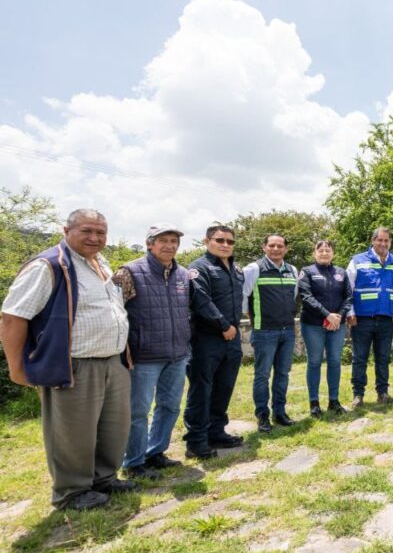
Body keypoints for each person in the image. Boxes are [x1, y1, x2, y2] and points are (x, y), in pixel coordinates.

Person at [1, 209, 135, 510]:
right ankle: (72, 491)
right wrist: (17, 368)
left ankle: (104, 479)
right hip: (74, 363)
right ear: (66, 230)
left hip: (113, 360)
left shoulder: (99, 262)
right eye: (86, 231)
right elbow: (12, 318)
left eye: (101, 232)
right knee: (73, 433)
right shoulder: (47, 265)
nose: (94, 237)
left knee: (113, 427)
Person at [111, 224, 191, 479]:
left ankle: (155, 452)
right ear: (149, 244)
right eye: (163, 241)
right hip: (144, 356)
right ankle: (133, 462)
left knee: (169, 406)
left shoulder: (183, 275)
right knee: (138, 411)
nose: (169, 246)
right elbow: (114, 313)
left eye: (174, 241)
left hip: (177, 354)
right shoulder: (129, 272)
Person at [183, 224, 245, 459]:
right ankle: (196, 441)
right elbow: (201, 301)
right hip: (207, 339)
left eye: (230, 241)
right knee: (202, 389)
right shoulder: (200, 268)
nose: (225, 245)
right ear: (207, 241)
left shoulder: (236, 270)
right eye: (220, 240)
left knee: (224, 387)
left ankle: (216, 432)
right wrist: (224, 326)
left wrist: (233, 329)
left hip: (232, 339)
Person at [243, 234, 300, 432]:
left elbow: (293, 297)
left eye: (280, 246)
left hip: (287, 331)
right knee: (262, 375)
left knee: (283, 374)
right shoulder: (254, 269)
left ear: (286, 249)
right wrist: (252, 317)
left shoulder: (292, 270)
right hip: (264, 331)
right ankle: (262, 415)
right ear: (264, 247)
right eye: (272, 245)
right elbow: (243, 296)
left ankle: (280, 412)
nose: (276, 249)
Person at [347, 226, 393, 407]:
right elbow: (348, 289)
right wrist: (350, 312)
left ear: (390, 243)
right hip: (362, 319)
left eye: (387, 241)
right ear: (373, 241)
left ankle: (383, 392)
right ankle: (358, 395)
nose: (383, 244)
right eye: (380, 240)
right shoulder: (358, 261)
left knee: (383, 358)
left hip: (386, 319)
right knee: (360, 358)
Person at [298, 240, 352, 417]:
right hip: (313, 324)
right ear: (315, 253)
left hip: (337, 324)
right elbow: (306, 296)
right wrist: (326, 314)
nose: (324, 253)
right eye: (320, 250)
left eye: (328, 250)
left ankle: (333, 401)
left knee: (335, 361)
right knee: (314, 362)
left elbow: (349, 297)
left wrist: (338, 317)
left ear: (333, 253)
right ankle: (314, 403)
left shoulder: (341, 273)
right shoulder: (307, 272)